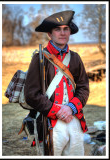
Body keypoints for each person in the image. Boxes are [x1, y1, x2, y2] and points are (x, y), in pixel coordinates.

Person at [24, 10, 89, 156]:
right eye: (57, 29)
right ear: (49, 34)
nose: (62, 33)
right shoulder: (39, 58)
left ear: (70, 32)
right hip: (50, 122)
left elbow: (83, 88)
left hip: (74, 118)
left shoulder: (76, 58)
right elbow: (31, 94)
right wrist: (57, 110)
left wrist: (71, 107)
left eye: (66, 29)